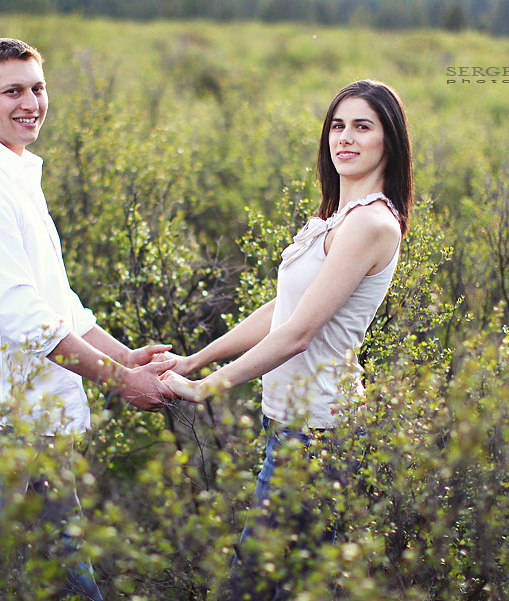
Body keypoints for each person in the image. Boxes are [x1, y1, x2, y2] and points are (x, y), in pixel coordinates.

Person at [0, 38, 175, 600]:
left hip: (38, 410)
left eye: (37, 88)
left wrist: (125, 356)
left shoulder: (15, 177)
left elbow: (57, 304)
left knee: (64, 564)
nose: (30, 102)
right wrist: (120, 380)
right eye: (12, 91)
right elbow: (25, 320)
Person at [160, 80, 413, 598]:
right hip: (294, 425)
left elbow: (297, 335)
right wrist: (195, 361)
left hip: (319, 432)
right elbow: (282, 311)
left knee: (255, 584)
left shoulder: (371, 223)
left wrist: (209, 388)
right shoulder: (333, 219)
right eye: (337, 126)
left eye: (362, 126)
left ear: (389, 140)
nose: (345, 138)